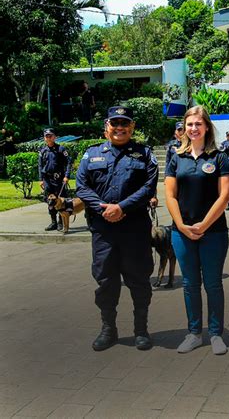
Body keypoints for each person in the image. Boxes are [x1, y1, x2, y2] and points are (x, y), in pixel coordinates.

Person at [76, 106, 158, 351]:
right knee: (105, 281)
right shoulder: (91, 154)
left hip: (134, 230)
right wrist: (104, 209)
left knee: (139, 280)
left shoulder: (144, 154)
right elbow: (81, 187)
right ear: (107, 126)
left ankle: (141, 330)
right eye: (115, 123)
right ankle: (108, 329)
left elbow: (148, 187)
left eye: (125, 124)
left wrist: (121, 207)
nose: (120, 128)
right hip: (104, 231)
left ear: (132, 127)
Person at [165, 105, 229, 355]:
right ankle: (194, 333)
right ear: (185, 128)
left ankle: (216, 333)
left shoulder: (219, 157)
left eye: (198, 124)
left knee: (213, 284)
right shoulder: (176, 157)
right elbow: (170, 196)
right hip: (181, 232)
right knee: (190, 285)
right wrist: (181, 225)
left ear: (207, 127)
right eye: (190, 124)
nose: (194, 128)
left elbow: (225, 195)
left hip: (213, 233)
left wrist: (204, 224)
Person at [38, 128, 72, 231]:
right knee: (50, 201)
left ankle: (61, 222)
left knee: (60, 201)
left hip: (59, 180)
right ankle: (53, 222)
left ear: (54, 137)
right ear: (44, 138)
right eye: (46, 136)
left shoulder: (61, 149)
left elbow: (68, 162)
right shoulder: (42, 151)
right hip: (47, 180)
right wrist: (41, 179)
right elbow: (40, 165)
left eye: (50, 136)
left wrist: (67, 176)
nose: (48, 138)